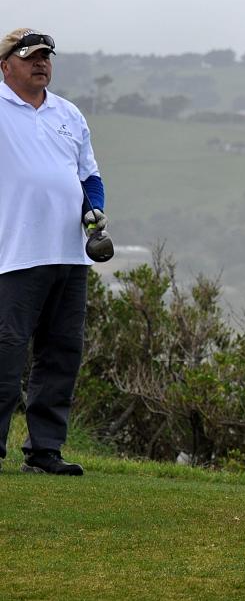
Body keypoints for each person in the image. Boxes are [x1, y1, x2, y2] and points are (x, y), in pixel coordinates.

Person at [0, 28, 108, 475]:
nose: (41, 63)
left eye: (46, 57)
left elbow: (90, 178)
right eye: (30, 57)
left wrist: (95, 211)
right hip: (14, 254)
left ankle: (44, 451)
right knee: (6, 352)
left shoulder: (68, 113)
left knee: (62, 352)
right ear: (6, 64)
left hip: (69, 253)